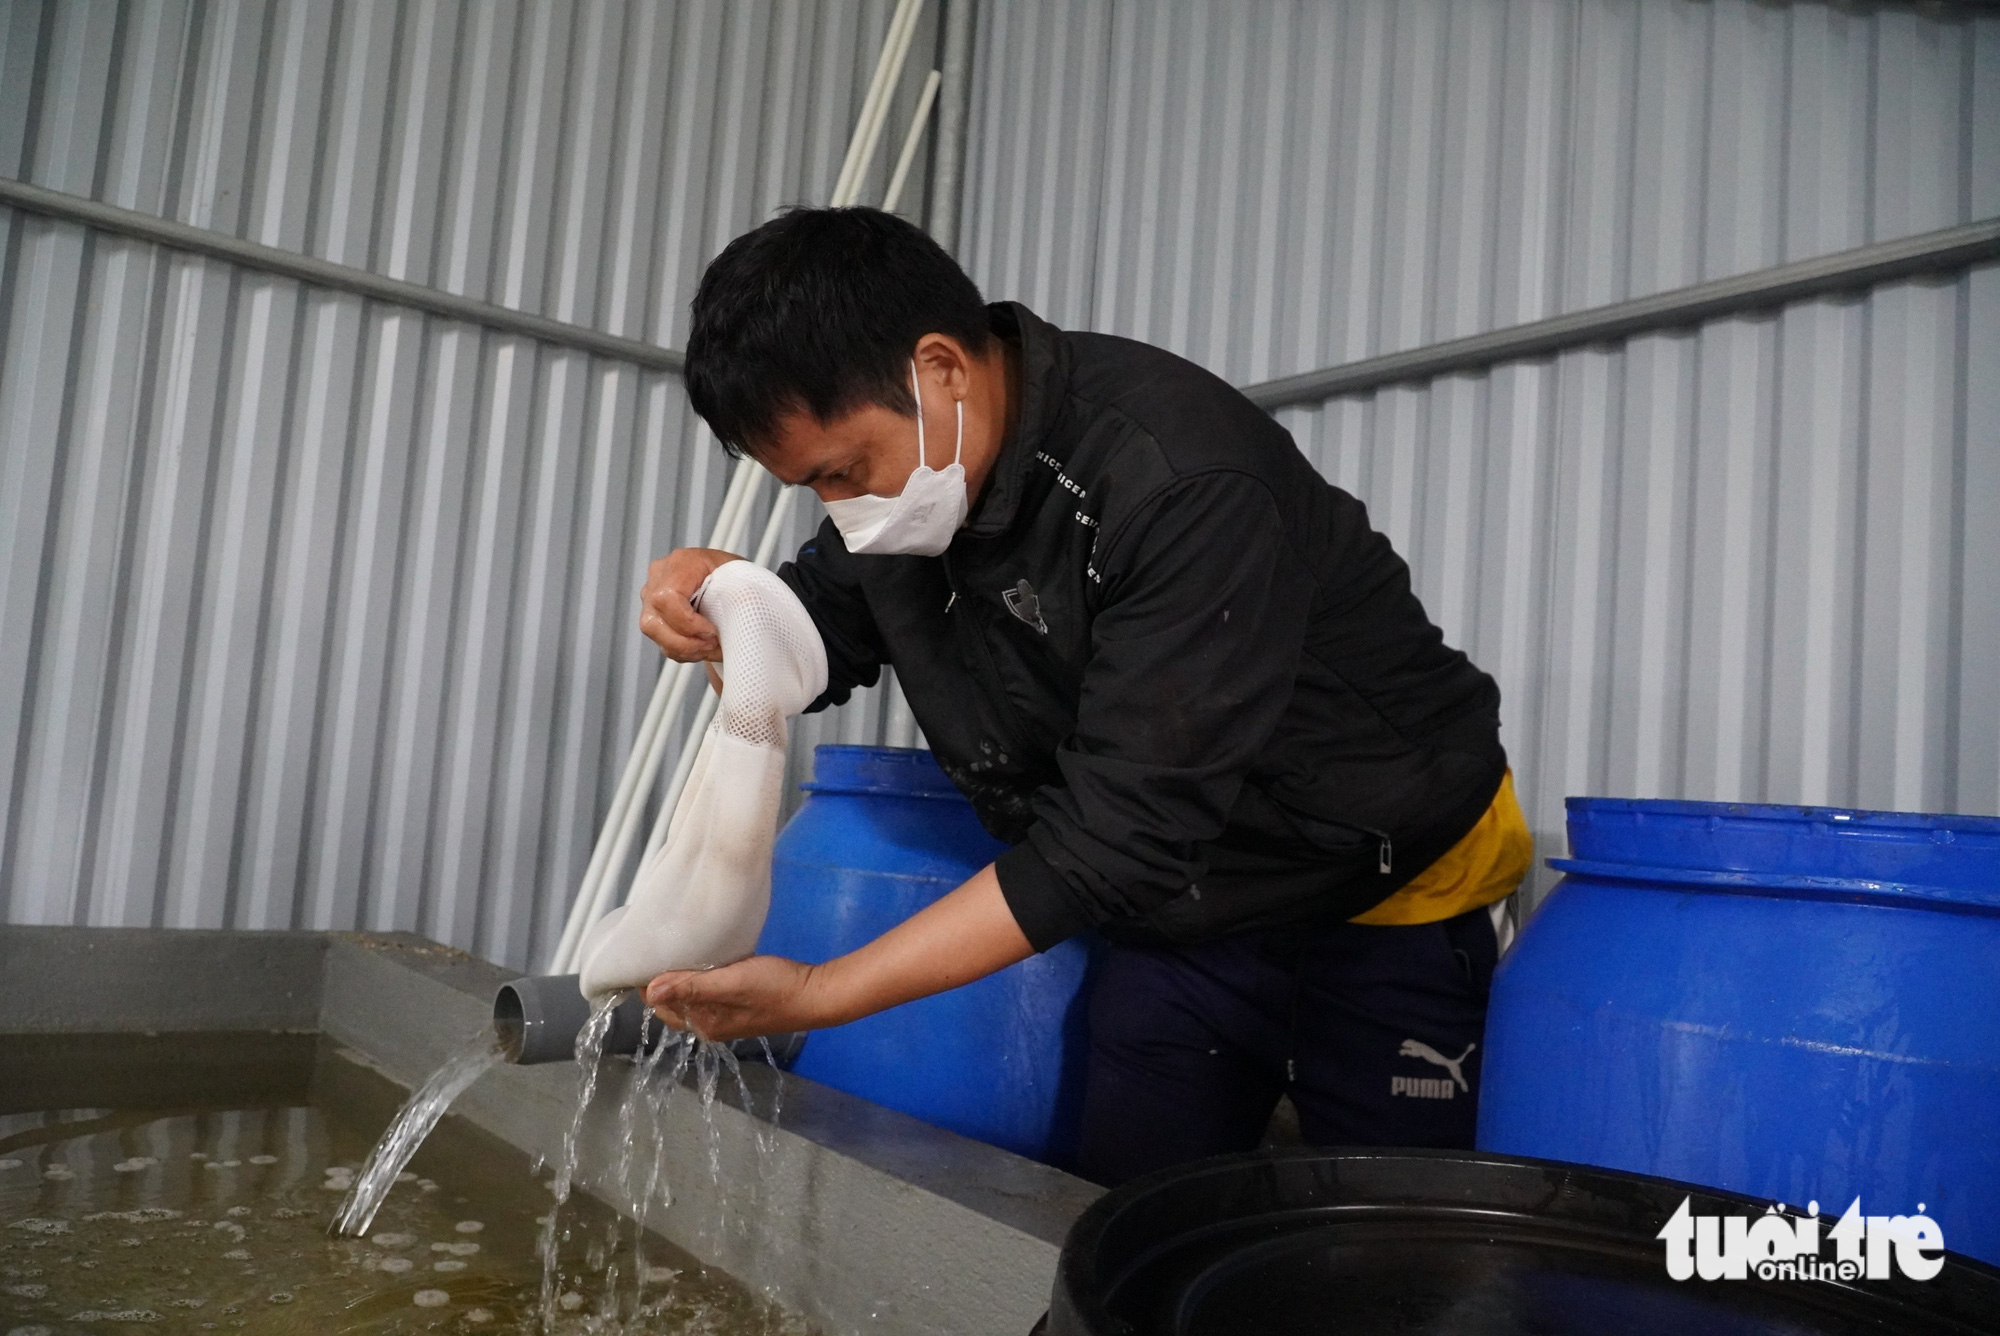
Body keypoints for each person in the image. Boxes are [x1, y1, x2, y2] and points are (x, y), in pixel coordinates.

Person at [638, 207, 1531, 1185]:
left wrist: (820, 991)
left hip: (1382, 880)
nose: (839, 508)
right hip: (1184, 905)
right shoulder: (907, 493)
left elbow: (1117, 835)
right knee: (1133, 1215)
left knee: (1388, 1244)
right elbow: (821, 627)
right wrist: (727, 605)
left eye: (844, 471)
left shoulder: (1177, 477)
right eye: (811, 486)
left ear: (938, 370)